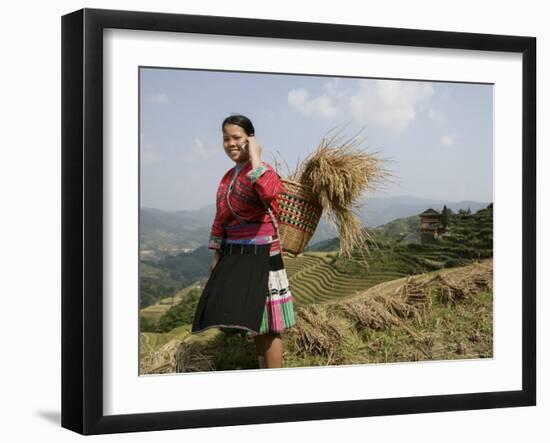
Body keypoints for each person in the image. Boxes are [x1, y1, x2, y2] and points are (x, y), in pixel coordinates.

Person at [191, 114, 296, 369]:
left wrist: (256, 157)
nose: (230, 143)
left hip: (262, 254)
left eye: (237, 137)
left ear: (250, 139)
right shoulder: (228, 176)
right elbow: (221, 215)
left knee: (269, 326)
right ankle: (263, 373)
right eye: (226, 138)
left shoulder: (263, 169)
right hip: (236, 254)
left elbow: (270, 192)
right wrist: (217, 254)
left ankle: (275, 384)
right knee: (255, 321)